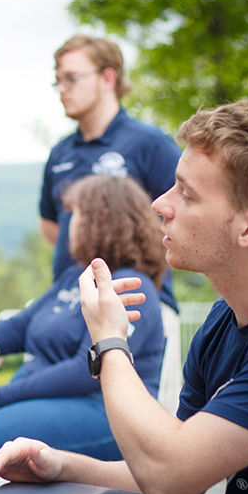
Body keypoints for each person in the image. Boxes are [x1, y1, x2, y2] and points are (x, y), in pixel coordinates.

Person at [0, 100, 248, 494]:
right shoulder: (221, 325)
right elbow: (179, 479)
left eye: (186, 193)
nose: (159, 205)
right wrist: (59, 465)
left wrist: (109, 340)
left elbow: (168, 476)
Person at [0, 175, 166, 459]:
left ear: (101, 220)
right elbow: (17, 329)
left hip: (102, 412)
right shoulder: (74, 278)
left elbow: (84, 372)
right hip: (43, 402)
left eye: (75, 214)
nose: (68, 224)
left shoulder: (130, 286)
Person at [40, 34, 181, 311]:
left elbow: (185, 213)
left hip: (139, 303)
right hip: (72, 306)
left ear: (107, 78)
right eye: (58, 81)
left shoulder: (150, 143)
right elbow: (50, 226)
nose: (62, 89)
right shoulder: (60, 153)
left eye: (72, 78)